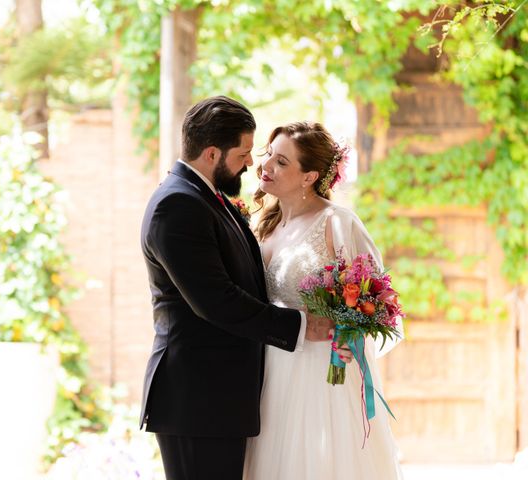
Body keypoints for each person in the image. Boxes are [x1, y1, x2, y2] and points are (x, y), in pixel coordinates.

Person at [139, 97, 345, 480]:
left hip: (221, 399)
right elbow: (217, 302)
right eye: (245, 153)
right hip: (197, 400)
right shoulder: (178, 206)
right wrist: (304, 326)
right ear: (213, 153)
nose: (252, 163)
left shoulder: (208, 199)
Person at [243, 121, 404, 479]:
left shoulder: (337, 222)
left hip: (321, 375)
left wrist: (352, 335)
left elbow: (376, 299)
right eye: (269, 154)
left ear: (309, 176)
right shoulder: (265, 227)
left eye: (282, 161)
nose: (266, 165)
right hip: (270, 373)